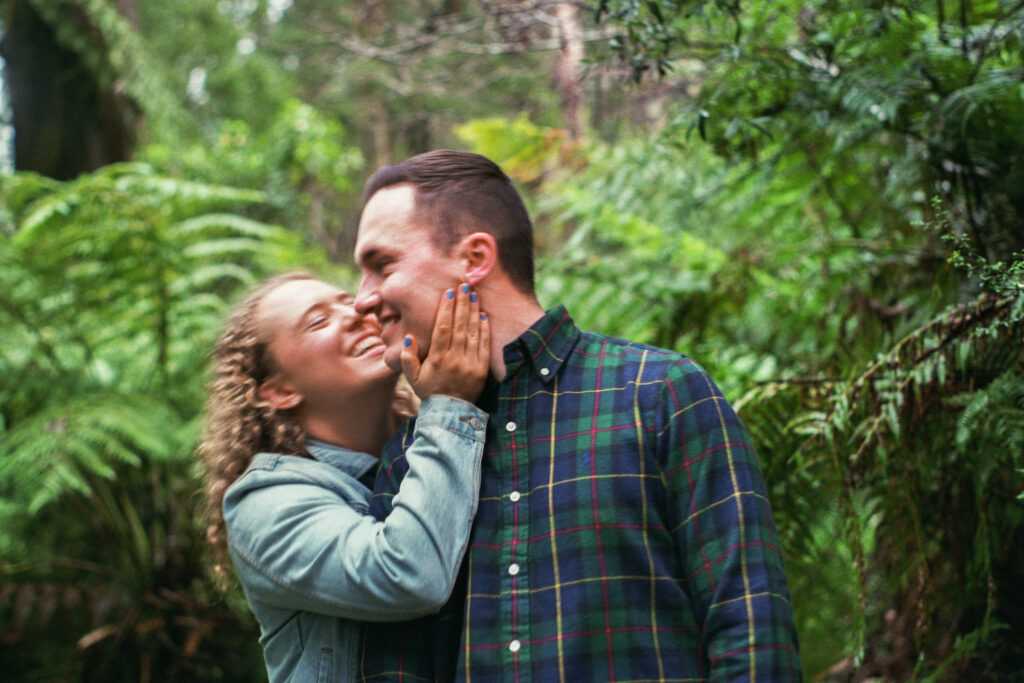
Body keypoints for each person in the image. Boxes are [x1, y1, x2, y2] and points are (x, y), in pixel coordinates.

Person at [352, 150, 802, 681]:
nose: (361, 299)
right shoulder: (409, 461)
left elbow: (751, 631)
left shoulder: (660, 395)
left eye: (382, 266)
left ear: (474, 258)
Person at [195, 271, 491, 682]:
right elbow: (409, 574)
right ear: (279, 392)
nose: (355, 314)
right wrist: (449, 404)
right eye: (317, 321)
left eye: (347, 300)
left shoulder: (451, 441)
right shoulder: (263, 506)